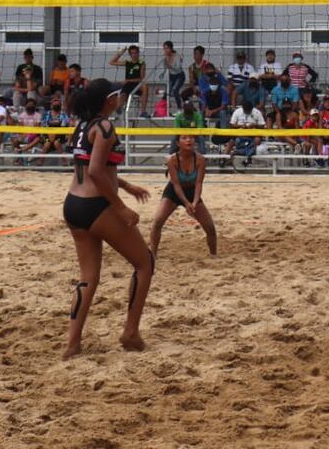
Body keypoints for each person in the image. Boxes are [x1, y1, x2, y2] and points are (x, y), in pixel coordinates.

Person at [62, 78, 153, 358]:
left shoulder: (83, 125)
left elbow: (93, 167)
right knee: (144, 263)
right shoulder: (104, 126)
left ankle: (72, 344)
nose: (122, 98)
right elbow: (97, 173)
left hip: (73, 204)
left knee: (88, 277)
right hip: (96, 205)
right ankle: (130, 332)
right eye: (118, 95)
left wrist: (125, 185)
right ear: (109, 99)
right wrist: (121, 207)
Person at [149, 134, 217, 258]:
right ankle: (152, 254)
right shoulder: (172, 160)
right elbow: (175, 184)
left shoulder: (200, 159)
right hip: (174, 192)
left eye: (191, 138)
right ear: (178, 143)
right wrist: (186, 203)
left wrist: (195, 202)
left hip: (192, 191)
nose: (189, 140)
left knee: (210, 227)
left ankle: (213, 255)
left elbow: (199, 183)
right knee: (158, 221)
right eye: (184, 138)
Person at [110, 45, 148, 116]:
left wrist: (129, 80)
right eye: (132, 53)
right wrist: (122, 52)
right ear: (130, 54)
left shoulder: (141, 63)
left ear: (138, 53)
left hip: (136, 84)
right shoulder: (127, 62)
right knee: (123, 93)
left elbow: (142, 78)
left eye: (135, 53)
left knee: (145, 86)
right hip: (128, 85)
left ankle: (143, 111)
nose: (134, 55)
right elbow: (111, 62)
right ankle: (119, 108)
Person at [228, 99, 265, 166]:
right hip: (240, 132)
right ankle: (225, 158)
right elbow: (232, 124)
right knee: (231, 141)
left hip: (253, 132)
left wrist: (254, 125)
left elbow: (262, 125)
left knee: (257, 140)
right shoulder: (237, 112)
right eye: (246, 110)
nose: (247, 112)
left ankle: (249, 157)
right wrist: (240, 125)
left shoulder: (257, 112)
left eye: (249, 110)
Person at [38, 99, 71, 163]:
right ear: (51, 106)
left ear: (60, 106)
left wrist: (52, 124)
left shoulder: (64, 115)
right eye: (54, 104)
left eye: (57, 104)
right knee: (47, 144)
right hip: (47, 134)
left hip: (60, 134)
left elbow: (64, 125)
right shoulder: (46, 114)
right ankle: (40, 162)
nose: (56, 105)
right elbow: (42, 124)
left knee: (57, 143)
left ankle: (65, 162)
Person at [159, 41, 185, 109]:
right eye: (164, 48)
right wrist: (162, 73)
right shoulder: (165, 58)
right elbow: (165, 68)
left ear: (171, 48)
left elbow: (178, 69)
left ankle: (179, 108)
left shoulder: (177, 56)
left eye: (167, 48)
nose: (165, 50)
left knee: (175, 90)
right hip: (171, 76)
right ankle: (163, 108)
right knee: (166, 92)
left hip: (179, 75)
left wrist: (170, 66)